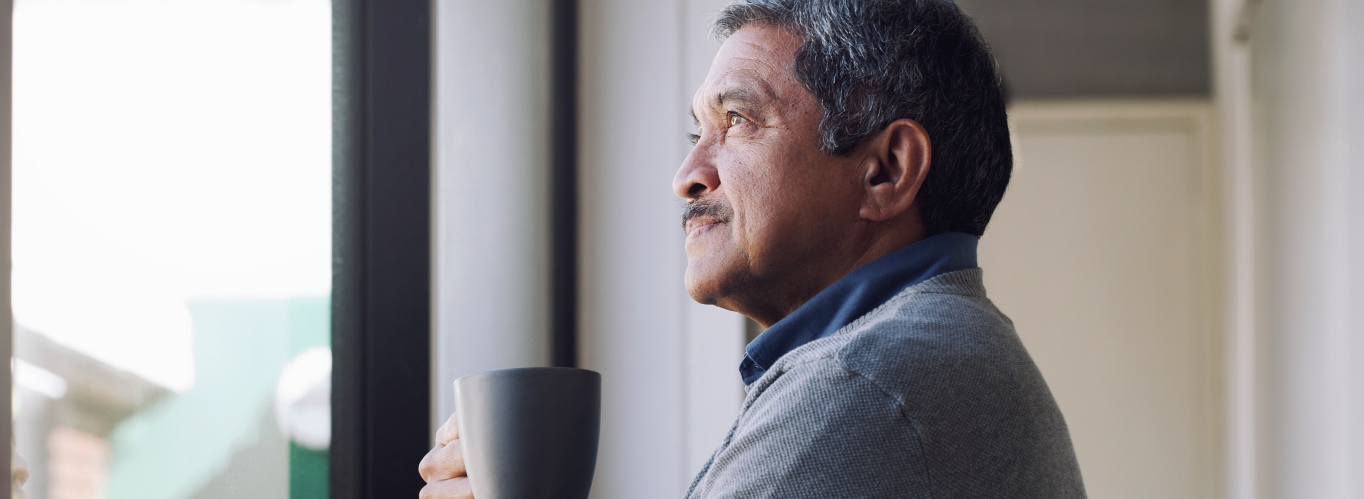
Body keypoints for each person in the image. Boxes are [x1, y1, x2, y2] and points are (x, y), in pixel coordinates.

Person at [420, 0, 1086, 496]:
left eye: (736, 121)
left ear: (886, 170)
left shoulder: (862, 387)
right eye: (695, 132)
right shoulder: (932, 355)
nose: (687, 175)